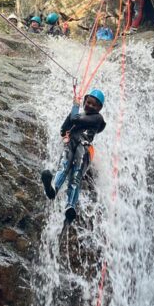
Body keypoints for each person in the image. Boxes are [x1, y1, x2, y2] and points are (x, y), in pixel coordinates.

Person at [41, 89, 106, 222]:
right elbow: (63, 129)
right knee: (63, 166)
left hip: (84, 146)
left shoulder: (97, 118)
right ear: (85, 102)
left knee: (76, 175)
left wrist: (75, 106)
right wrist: (72, 112)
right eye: (88, 102)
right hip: (71, 143)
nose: (90, 106)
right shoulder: (78, 115)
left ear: (99, 108)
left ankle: (70, 205)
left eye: (94, 105)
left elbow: (75, 119)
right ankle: (53, 188)